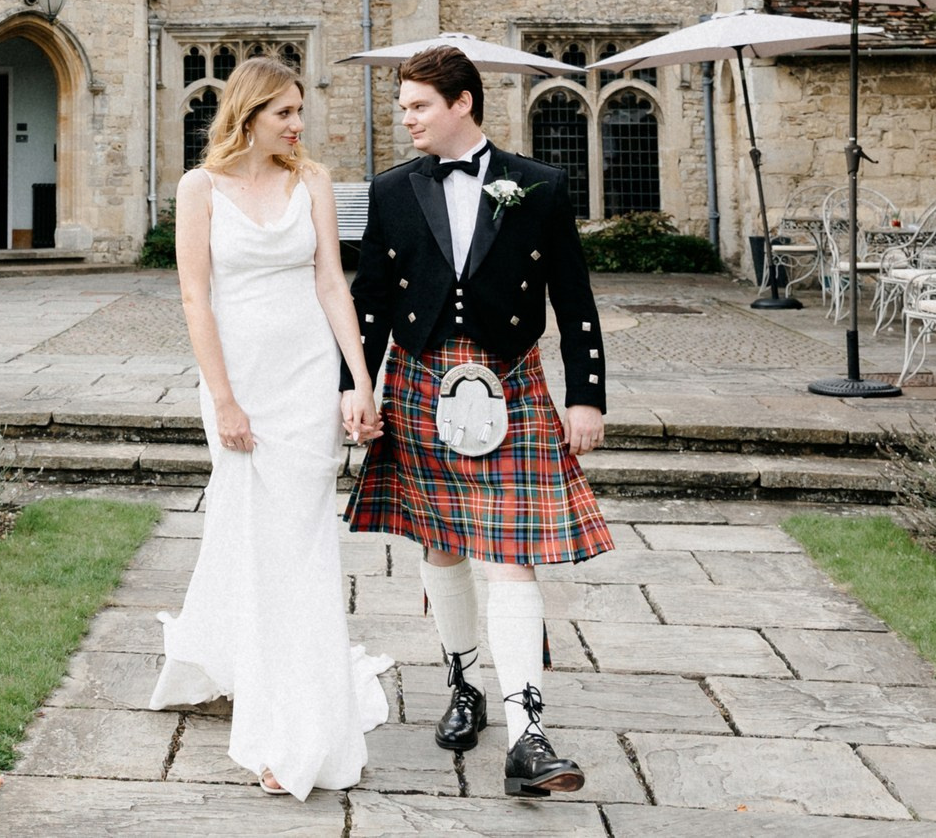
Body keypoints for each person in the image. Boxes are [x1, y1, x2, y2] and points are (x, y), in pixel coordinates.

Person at [343, 43, 614, 798]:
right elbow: (370, 302)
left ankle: (529, 733)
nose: (407, 118)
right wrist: (354, 386)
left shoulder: (539, 184)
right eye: (403, 106)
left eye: (419, 105)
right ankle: (464, 686)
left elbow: (574, 297)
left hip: (511, 378)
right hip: (421, 378)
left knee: (512, 553)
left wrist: (586, 396)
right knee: (441, 544)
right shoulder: (392, 189)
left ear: (462, 102)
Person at [150, 56, 392, 798]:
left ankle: (300, 717)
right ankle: (261, 694)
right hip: (239, 380)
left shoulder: (311, 180)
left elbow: (332, 281)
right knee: (254, 537)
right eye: (284, 111)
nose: (297, 123)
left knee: (302, 541)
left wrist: (359, 380)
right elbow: (195, 298)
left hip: (305, 379)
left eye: (299, 110)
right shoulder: (200, 188)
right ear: (248, 114)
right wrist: (224, 399)